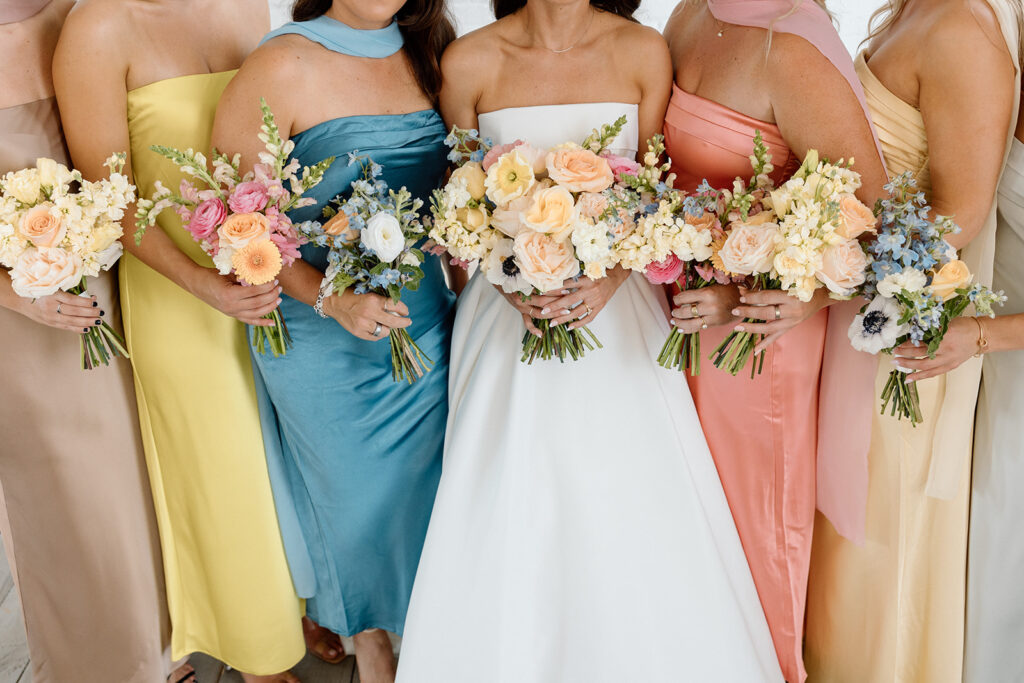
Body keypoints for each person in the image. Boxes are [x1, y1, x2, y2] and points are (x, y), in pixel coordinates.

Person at [396, 1, 783, 681]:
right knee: (508, 488)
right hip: (503, 310)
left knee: (626, 491)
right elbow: (460, 202)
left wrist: (606, 281)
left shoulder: (642, 52)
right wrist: (511, 277)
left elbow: (655, 192)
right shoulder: (470, 62)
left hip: (619, 304)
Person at [53, 1, 311, 680]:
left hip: (267, 275)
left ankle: (309, 607)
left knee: (290, 450)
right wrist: (207, 287)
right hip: (175, 291)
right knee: (226, 471)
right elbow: (115, 202)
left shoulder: (244, 3)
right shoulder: (97, 27)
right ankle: (262, 656)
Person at [211, 1, 456, 681]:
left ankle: (435, 646)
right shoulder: (279, 62)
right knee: (351, 504)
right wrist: (333, 295)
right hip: (321, 335)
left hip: (424, 321)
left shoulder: (432, 50)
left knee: (429, 496)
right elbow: (240, 225)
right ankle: (372, 650)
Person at [660, 2, 888, 680]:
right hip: (682, 327)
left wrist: (783, 292)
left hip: (757, 349)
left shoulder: (792, 49)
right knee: (696, 536)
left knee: (759, 538)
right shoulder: (691, 11)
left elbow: (877, 223)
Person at [804, 1, 1020, 681]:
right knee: (844, 559)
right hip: (866, 323)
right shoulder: (913, 10)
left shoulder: (960, 29)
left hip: (903, 344)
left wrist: (811, 264)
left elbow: (957, 215)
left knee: (880, 568)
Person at [0, 1, 170, 680]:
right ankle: (103, 664)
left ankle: (162, 646)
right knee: (72, 485)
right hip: (24, 313)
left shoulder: (76, 13)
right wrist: (18, 294)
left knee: (141, 462)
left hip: (111, 279)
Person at [879, 18, 1022, 683]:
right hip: (978, 346)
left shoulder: (974, 36)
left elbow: (960, 211)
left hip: (1001, 343)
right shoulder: (997, 29)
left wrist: (985, 335)